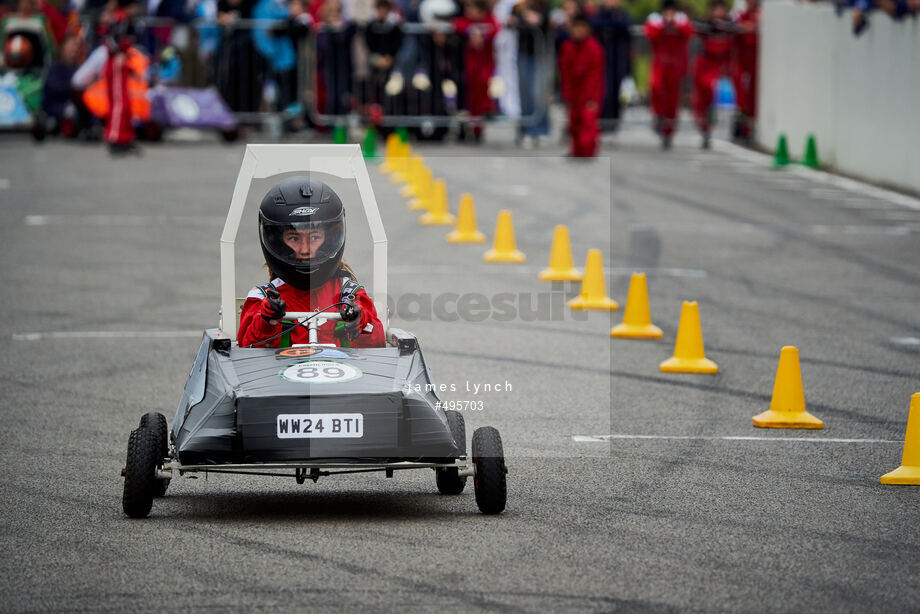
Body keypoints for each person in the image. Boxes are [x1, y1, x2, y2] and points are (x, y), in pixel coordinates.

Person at [238, 177, 386, 349]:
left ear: (329, 239)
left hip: (341, 372)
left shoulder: (351, 295)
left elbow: (377, 345)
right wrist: (267, 320)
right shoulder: (262, 299)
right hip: (279, 373)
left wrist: (359, 321)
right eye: (293, 238)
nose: (305, 249)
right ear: (278, 241)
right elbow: (246, 351)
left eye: (314, 237)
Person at [643, 0, 693, 149]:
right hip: (660, 63)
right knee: (656, 89)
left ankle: (668, 132)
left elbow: (689, 32)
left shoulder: (681, 21)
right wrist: (665, 24)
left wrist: (675, 24)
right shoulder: (655, 20)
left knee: (672, 100)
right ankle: (658, 116)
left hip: (675, 65)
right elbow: (650, 34)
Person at [452, 0, 501, 143]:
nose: (469, 12)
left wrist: (482, 36)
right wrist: (470, 32)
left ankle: (479, 128)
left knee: (482, 95)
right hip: (470, 66)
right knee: (470, 99)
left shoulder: (489, 19)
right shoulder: (466, 21)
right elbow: (457, 25)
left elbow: (496, 28)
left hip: (485, 65)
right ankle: (470, 128)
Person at [692, 0, 734, 149]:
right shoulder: (706, 26)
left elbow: (737, 30)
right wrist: (712, 26)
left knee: (711, 93)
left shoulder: (729, 27)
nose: (718, 13)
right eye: (715, 10)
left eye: (721, 10)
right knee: (700, 99)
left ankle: (708, 127)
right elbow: (695, 27)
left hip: (717, 68)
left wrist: (723, 26)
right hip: (704, 65)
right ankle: (703, 127)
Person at [590, 0, 630, 133]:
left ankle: (614, 121)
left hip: (617, 57)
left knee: (615, 90)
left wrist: (610, 26)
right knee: (603, 89)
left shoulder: (622, 14)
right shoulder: (599, 14)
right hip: (602, 57)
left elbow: (624, 26)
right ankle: (602, 120)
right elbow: (595, 24)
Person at [731, 0, 759, 142]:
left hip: (754, 63)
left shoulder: (760, 16)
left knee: (753, 95)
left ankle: (749, 126)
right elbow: (731, 28)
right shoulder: (739, 16)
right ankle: (740, 122)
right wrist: (743, 28)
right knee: (741, 93)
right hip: (742, 62)